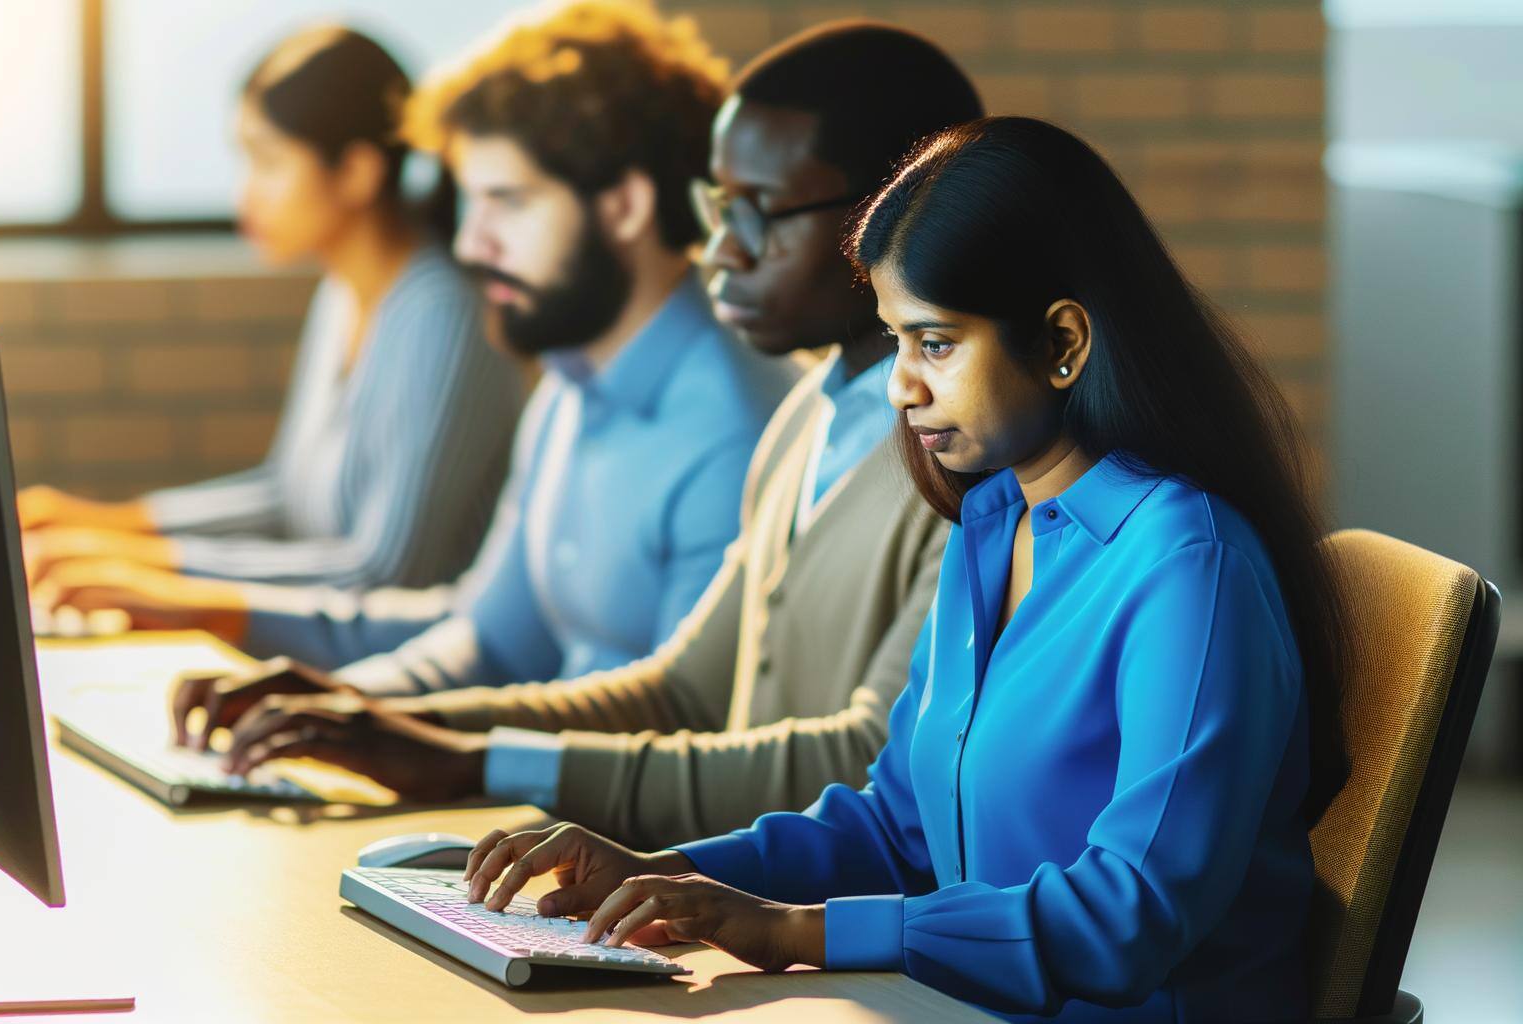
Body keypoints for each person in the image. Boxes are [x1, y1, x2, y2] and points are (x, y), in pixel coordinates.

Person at [459, 117, 1350, 1023]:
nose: (901, 386)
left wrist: (795, 934)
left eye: (936, 343)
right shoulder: (991, 528)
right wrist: (670, 873)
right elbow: (899, 825)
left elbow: (1130, 918)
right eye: (894, 341)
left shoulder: (1187, 564)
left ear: (1062, 343)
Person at [188, 22, 983, 848]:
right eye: (720, 207)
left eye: (759, 212)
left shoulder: (953, 459)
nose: (721, 250)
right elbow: (681, 691)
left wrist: (475, 764)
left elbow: (863, 768)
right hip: (716, 897)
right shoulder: (807, 416)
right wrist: (377, 721)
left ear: (898, 217)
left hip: (789, 924)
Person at [58, 1, 797, 697]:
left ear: (627, 205)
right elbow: (487, 641)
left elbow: (678, 744)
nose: (472, 244)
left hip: (581, 831)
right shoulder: (572, 384)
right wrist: (335, 709)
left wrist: (432, 747)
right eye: (470, 202)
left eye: (507, 201)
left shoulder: (736, 429)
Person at [18, 26, 521, 590]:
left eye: (269, 162)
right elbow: (289, 494)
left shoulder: (441, 316)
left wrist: (150, 570)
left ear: (357, 171)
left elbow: (386, 571)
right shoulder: (342, 292)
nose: (245, 196)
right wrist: (115, 526)